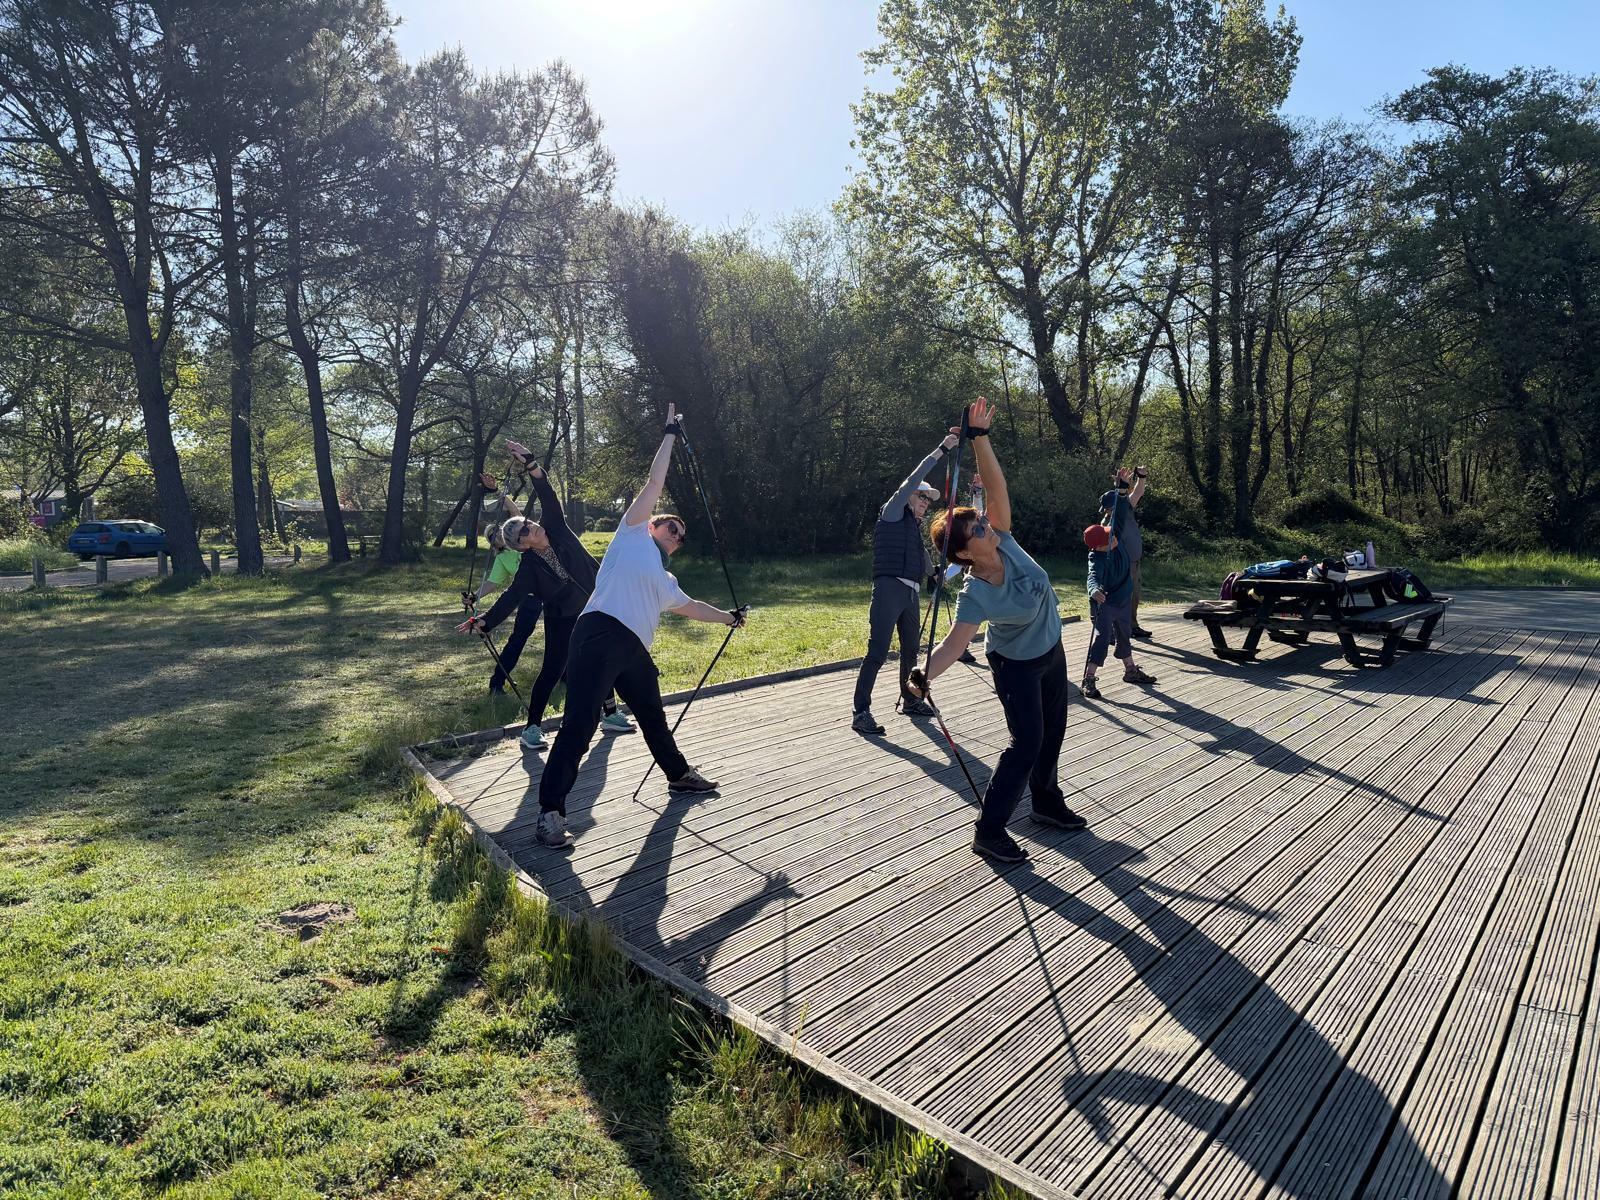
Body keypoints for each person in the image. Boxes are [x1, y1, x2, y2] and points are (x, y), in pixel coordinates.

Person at [529, 404, 747, 849]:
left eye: (681, 536)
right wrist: (669, 434)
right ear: (652, 524)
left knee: (652, 714)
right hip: (598, 634)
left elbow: (691, 607)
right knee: (580, 724)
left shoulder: (666, 581)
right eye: (671, 526)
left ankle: (678, 775)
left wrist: (729, 617)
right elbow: (654, 483)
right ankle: (550, 813)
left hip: (632, 650)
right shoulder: (631, 534)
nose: (676, 535)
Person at [912, 397, 1087, 865]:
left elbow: (995, 486)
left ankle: (1046, 803)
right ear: (963, 554)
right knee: (1026, 743)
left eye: (983, 521)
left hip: (1050, 651)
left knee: (1053, 733)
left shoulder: (1004, 538)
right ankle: (989, 832)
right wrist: (922, 676)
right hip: (1015, 666)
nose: (986, 525)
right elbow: (955, 644)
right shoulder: (975, 594)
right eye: (977, 530)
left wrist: (980, 438)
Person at [459, 449, 634, 746]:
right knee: (552, 669)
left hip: (596, 605)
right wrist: (485, 620)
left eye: (528, 522)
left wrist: (530, 463)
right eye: (525, 530)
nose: (532, 526)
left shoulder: (556, 528)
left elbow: (547, 495)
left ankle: (610, 713)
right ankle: (532, 728)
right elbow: (512, 596)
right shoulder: (528, 567)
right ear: (522, 545)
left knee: (602, 658)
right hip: (562, 617)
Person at [850, 429, 961, 735]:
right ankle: (861, 712)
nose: (925, 501)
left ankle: (910, 700)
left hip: (911, 594)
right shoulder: (892, 512)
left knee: (911, 651)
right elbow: (913, 478)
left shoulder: (913, 527)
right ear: (910, 495)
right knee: (877, 651)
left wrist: (936, 573)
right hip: (889, 590)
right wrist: (942, 449)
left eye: (928, 499)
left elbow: (922, 558)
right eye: (922, 496)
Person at [1080, 493, 1157, 699]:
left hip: (1123, 600)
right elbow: (1092, 577)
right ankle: (1089, 678)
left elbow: (1120, 514)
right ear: (1100, 547)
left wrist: (1122, 490)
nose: (1114, 537)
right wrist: (1094, 590)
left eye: (1112, 534)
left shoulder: (1115, 538)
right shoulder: (1097, 558)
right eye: (1109, 538)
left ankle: (1130, 671)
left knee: (1124, 635)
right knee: (1103, 638)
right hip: (1104, 603)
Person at [467, 482, 540, 695]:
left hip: (551, 593)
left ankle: (565, 675)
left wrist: (499, 493)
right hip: (529, 598)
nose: (497, 536)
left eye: (498, 532)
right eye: (492, 537)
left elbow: (516, 514)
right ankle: (497, 682)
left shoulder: (522, 542)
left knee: (565, 635)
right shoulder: (501, 559)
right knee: (518, 639)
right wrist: (474, 596)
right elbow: (492, 583)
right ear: (493, 544)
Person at [1099, 465, 1152, 638]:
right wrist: (1120, 486)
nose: (1107, 511)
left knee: (1134, 596)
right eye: (1106, 509)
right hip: (1121, 564)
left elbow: (1138, 492)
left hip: (1134, 562)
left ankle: (1132, 626)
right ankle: (1117, 629)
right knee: (1122, 597)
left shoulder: (1126, 507)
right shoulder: (1107, 523)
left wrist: (1141, 477)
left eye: (1108, 508)